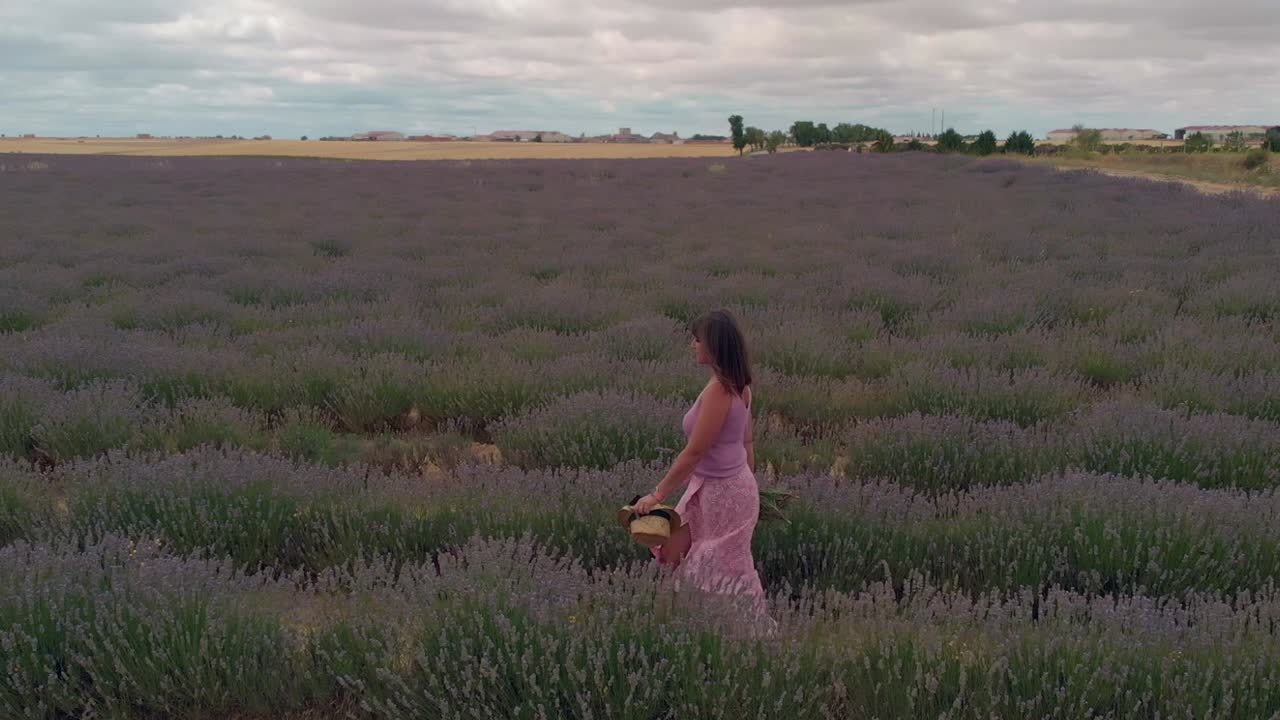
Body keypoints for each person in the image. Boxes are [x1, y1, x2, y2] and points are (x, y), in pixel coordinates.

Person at [631, 309, 768, 610]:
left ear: (714, 345)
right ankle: (693, 622)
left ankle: (738, 633)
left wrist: (657, 495)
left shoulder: (722, 391)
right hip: (717, 488)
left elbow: (695, 452)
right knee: (677, 549)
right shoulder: (736, 385)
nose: (692, 345)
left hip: (723, 493)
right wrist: (750, 485)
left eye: (697, 340)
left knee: (719, 565)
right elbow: (746, 441)